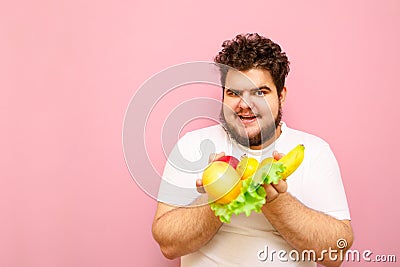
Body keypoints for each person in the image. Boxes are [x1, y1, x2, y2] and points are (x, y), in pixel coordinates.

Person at [152, 33, 353, 267]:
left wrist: (274, 200)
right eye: (233, 93)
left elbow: (336, 253)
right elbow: (168, 244)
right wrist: (218, 198)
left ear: (281, 96)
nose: (245, 104)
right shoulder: (192, 145)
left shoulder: (314, 151)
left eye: (260, 92)